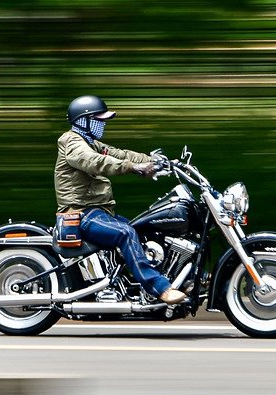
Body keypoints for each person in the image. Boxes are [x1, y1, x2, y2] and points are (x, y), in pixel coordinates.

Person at [54, 95, 187, 305]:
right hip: (81, 214)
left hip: (99, 213)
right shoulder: (72, 142)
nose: (103, 124)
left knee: (145, 228)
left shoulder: (92, 143)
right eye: (99, 119)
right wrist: (133, 168)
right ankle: (159, 288)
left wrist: (158, 161)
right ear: (83, 120)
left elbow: (121, 154)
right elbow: (94, 162)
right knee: (126, 233)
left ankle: (137, 284)